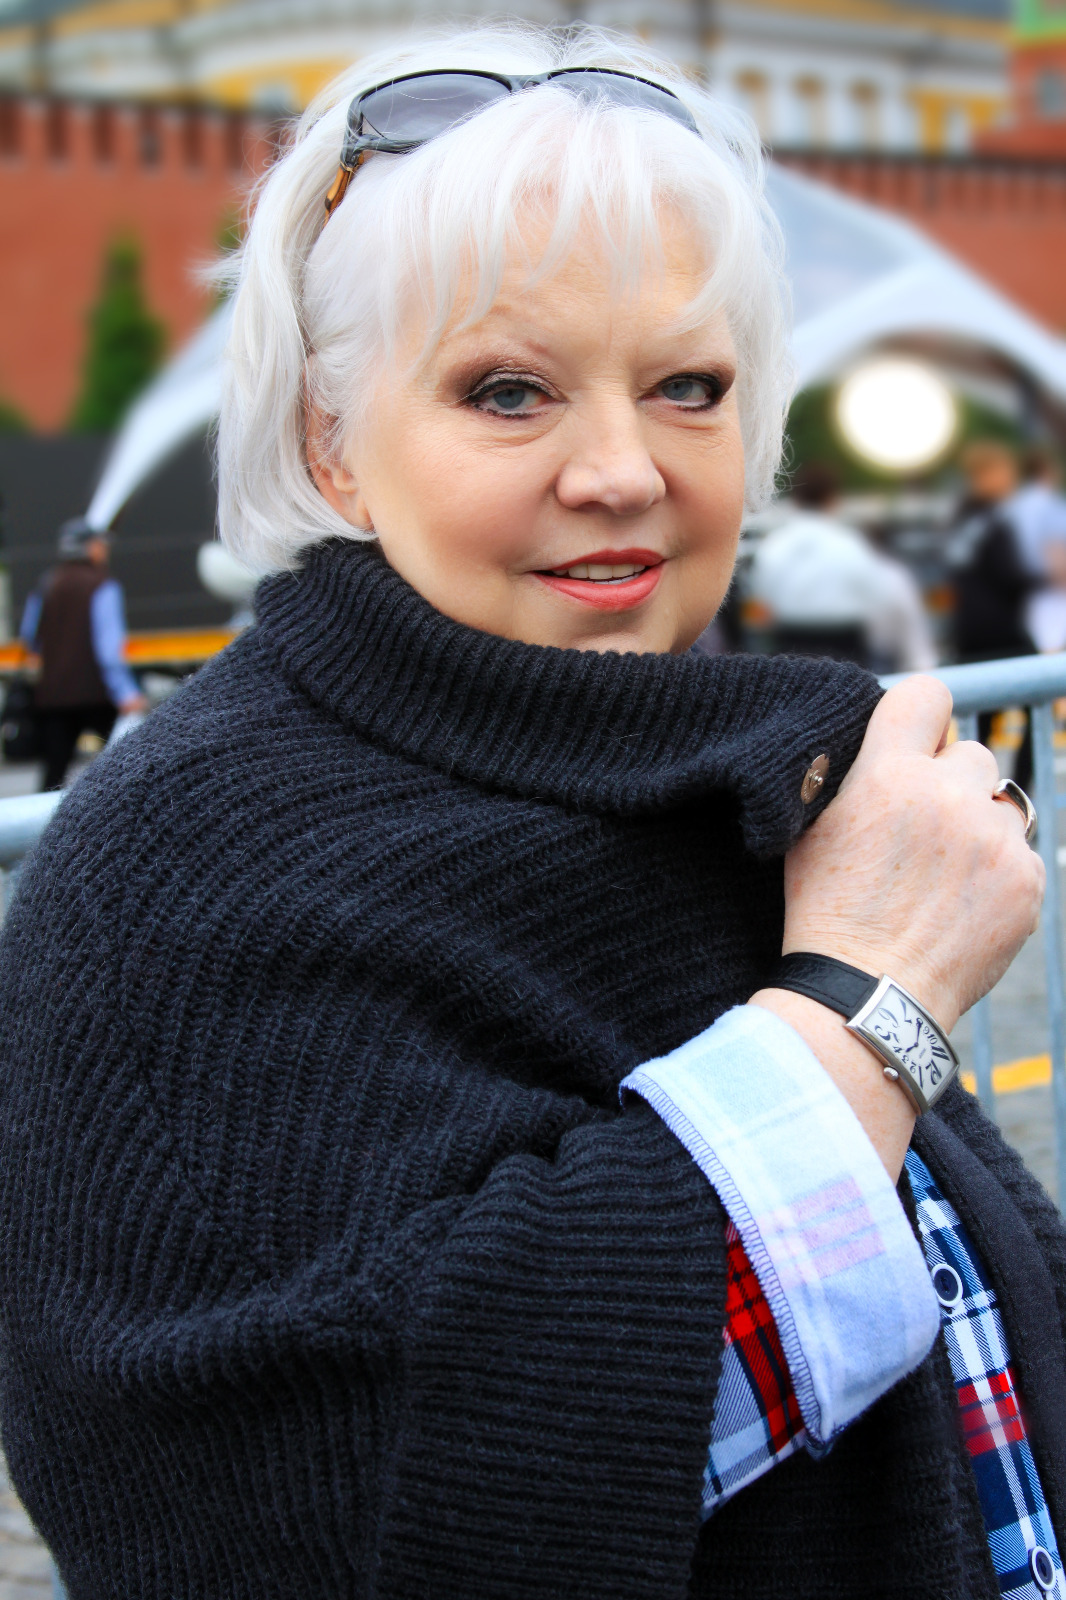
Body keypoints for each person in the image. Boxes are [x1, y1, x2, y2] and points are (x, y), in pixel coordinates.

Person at [0, 27, 1058, 1600]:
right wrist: (868, 1001)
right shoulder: (176, 877)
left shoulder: (716, 790)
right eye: (508, 391)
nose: (621, 470)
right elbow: (409, 1498)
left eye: (688, 386)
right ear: (332, 446)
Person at [748, 462, 936, 671]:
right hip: (845, 652)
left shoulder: (774, 546)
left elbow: (761, 599)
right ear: (833, 499)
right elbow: (876, 600)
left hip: (790, 648)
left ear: (795, 499)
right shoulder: (852, 544)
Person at [19, 518, 147, 790]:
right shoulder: (103, 584)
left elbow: (31, 638)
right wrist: (126, 693)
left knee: (53, 774)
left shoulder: (47, 584)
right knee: (122, 768)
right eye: (100, 544)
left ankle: (47, 819)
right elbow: (108, 649)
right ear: (89, 548)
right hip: (96, 695)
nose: (104, 550)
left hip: (53, 696)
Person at [948, 440, 1039, 790]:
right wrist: (1046, 575)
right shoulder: (993, 521)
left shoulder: (961, 519)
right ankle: (1021, 788)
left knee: (979, 726)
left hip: (969, 633)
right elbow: (1010, 577)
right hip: (1002, 632)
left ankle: (978, 792)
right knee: (1037, 702)